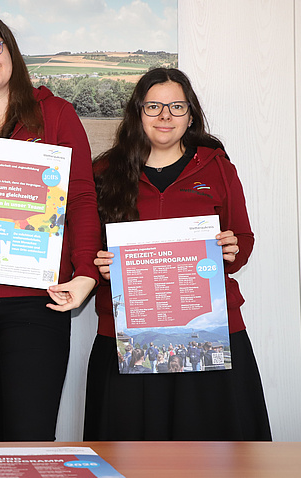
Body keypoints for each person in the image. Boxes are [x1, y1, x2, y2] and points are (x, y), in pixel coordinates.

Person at [85, 67, 271, 440]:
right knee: (131, 454)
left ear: (191, 115)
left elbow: (244, 239)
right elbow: (87, 247)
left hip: (210, 334)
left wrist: (232, 248)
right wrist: (98, 263)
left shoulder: (217, 167)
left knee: (215, 455)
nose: (165, 116)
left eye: (176, 106)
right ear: (137, 113)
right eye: (153, 106)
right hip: (129, 337)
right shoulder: (104, 171)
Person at [0, 12, 100, 441]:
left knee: (31, 441)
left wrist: (85, 272)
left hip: (36, 301)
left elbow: (82, 197)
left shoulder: (57, 114)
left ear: (10, 50)